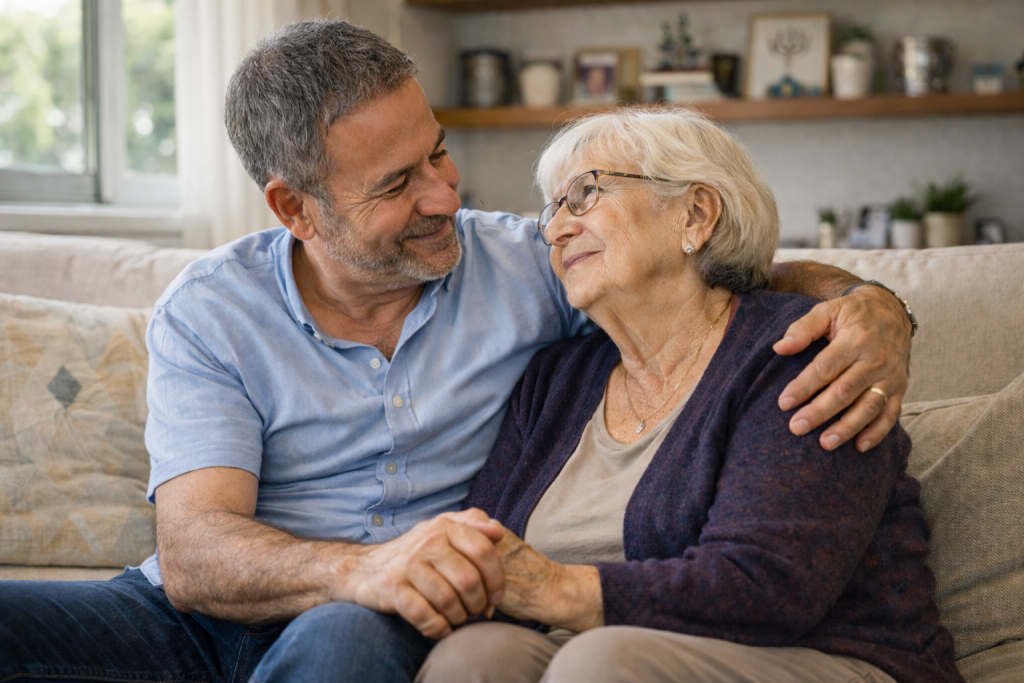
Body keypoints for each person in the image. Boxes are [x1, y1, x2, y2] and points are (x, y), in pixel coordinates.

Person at [0, 20, 917, 683]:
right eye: (399, 184)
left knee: (350, 639)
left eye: (439, 154)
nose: (444, 195)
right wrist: (368, 565)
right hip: (198, 614)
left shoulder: (530, 267)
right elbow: (198, 557)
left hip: (368, 626)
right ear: (294, 208)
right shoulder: (212, 308)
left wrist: (871, 303)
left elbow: (702, 281)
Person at [416, 109, 960, 683]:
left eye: (585, 194)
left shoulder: (798, 351)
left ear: (695, 214)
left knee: (599, 664)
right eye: (554, 209)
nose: (554, 230)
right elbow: (486, 552)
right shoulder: (555, 380)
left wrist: (553, 588)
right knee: (472, 657)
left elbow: (769, 586)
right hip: (601, 656)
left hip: (824, 656)